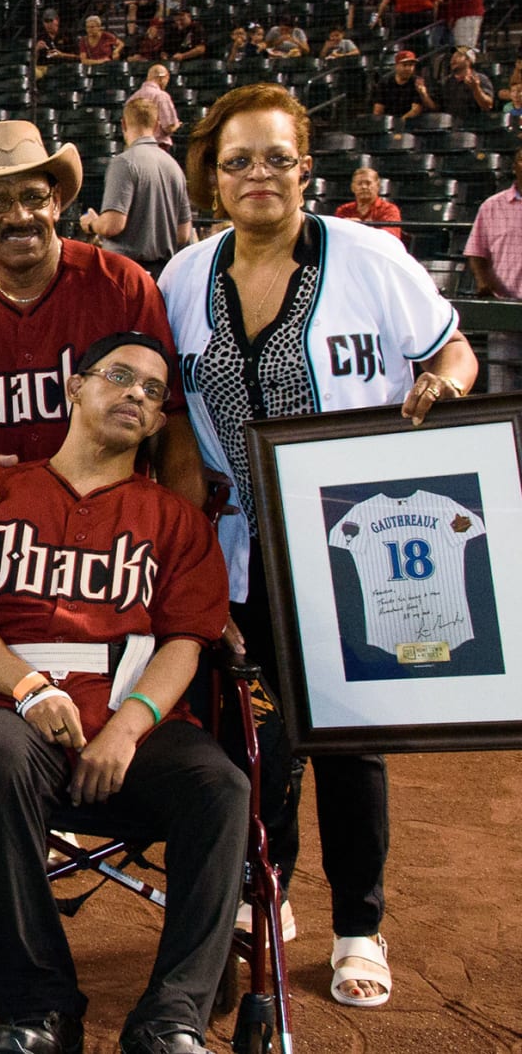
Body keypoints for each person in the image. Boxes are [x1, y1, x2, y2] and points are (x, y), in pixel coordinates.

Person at [161, 83, 478, 1013]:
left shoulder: (374, 258)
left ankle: (358, 926)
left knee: (346, 739)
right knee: (249, 736)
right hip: (235, 547)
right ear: (212, 177)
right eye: (238, 161)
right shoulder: (185, 277)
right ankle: (268, 894)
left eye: (277, 158)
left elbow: (452, 350)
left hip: (356, 546)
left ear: (308, 167)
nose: (260, 175)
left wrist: (447, 391)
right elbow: (178, 420)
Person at [0, 331, 245, 1054]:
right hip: (13, 709)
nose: (135, 395)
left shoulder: (177, 522)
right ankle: (39, 1010)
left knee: (221, 785)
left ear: (158, 423)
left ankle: (172, 1018)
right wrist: (27, 688)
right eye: (120, 377)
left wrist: (126, 729)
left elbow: (187, 641)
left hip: (132, 715)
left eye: (153, 392)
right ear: (75, 387)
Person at [0, 110, 191, 521]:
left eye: (34, 197)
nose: (19, 216)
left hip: (106, 539)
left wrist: (179, 531)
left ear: (57, 202)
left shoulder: (123, 288)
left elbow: (171, 423)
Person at [80, 98, 196, 274]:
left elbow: (112, 226)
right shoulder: (174, 167)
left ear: (123, 124)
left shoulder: (124, 163)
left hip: (124, 273)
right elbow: (183, 234)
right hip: (162, 274)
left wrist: (92, 224)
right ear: (157, 125)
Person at [463, 147, 522, 392]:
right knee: (501, 390)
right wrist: (483, 281)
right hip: (504, 314)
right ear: (514, 167)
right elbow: (476, 252)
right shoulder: (492, 206)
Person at [333, 165, 403, 240]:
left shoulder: (389, 209)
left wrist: (359, 228)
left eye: (368, 183)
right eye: (359, 183)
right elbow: (336, 236)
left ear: (378, 186)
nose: (364, 187)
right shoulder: (343, 210)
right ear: (353, 188)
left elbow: (391, 237)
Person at [126, 64, 180, 147]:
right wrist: (176, 125)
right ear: (162, 78)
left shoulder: (132, 98)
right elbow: (168, 127)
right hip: (158, 147)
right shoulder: (161, 96)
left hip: (135, 147)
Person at [370, 50, 434, 120]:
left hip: (412, 124)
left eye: (411, 65)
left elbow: (416, 110)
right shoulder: (385, 83)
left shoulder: (417, 82)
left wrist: (422, 93)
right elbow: (378, 110)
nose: (408, 68)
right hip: (389, 122)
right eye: (404, 65)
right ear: (396, 66)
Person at [436, 46, 495, 116]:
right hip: (452, 124)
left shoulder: (480, 79)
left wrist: (476, 88)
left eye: (458, 56)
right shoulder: (448, 82)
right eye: (452, 57)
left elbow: (488, 106)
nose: (453, 59)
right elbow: (438, 107)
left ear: (468, 60)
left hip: (474, 124)